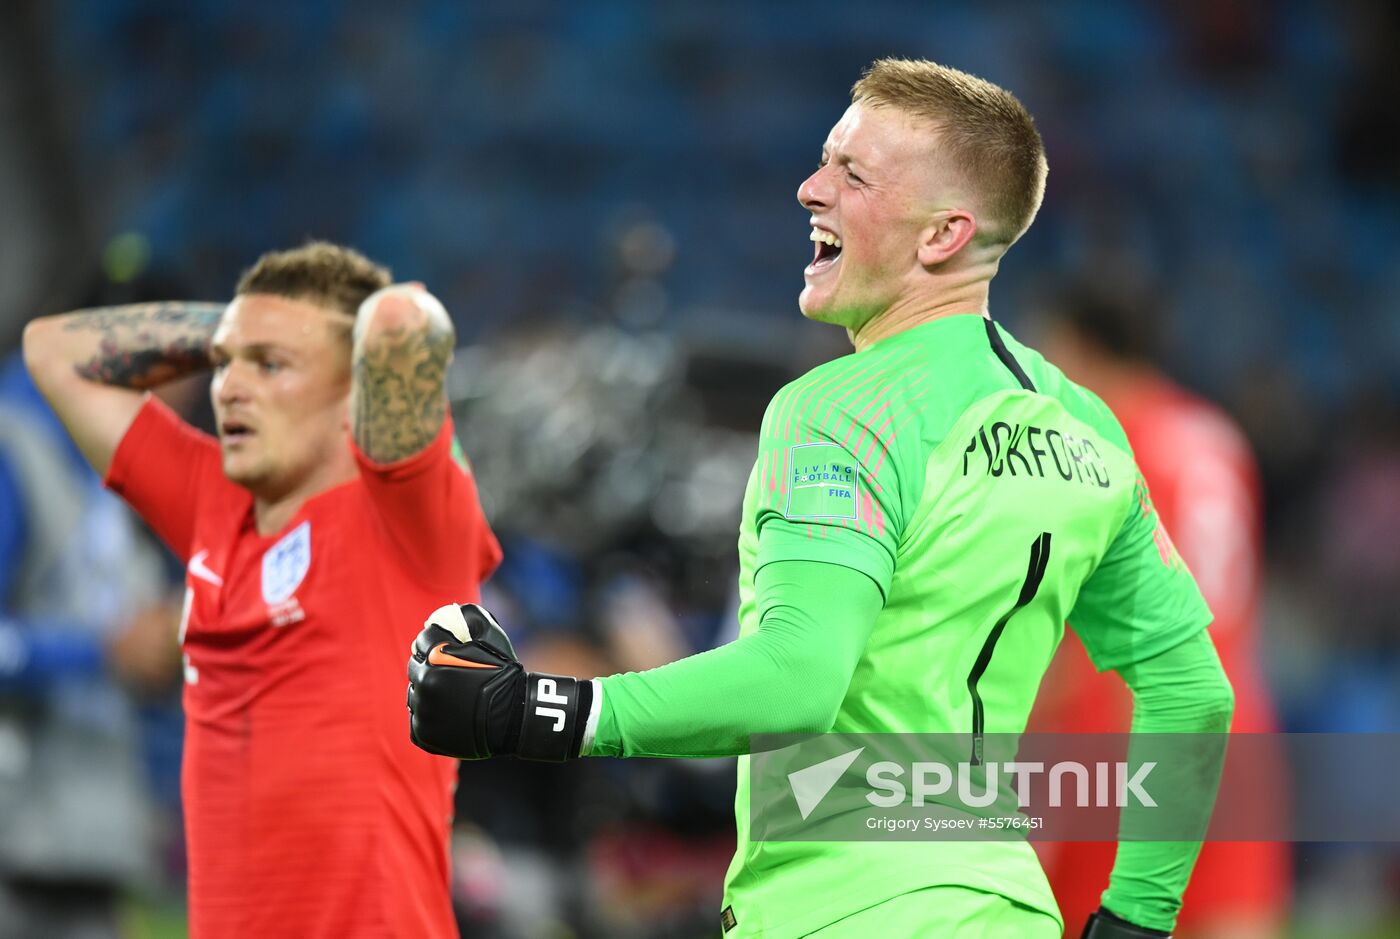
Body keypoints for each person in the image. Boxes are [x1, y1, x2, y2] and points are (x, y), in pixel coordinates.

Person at [407, 59, 1232, 939]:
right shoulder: (1088, 428)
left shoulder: (838, 407)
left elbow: (797, 677)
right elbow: (1194, 691)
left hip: (843, 912)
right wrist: (1138, 915)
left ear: (943, 235)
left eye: (853, 174)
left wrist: (542, 709)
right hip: (1007, 908)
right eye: (824, 160)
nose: (810, 189)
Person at [22, 242, 501, 938]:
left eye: (270, 364)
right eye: (224, 362)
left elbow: (407, 321)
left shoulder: (411, 523)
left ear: (351, 395)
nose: (228, 388)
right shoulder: (211, 499)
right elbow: (52, 349)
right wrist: (246, 326)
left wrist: (334, 328)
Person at [1028, 284, 1290, 938]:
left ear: (1082, 349)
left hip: (1126, 734)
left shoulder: (1095, 447)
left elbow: (1079, 635)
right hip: (1236, 732)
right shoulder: (1216, 433)